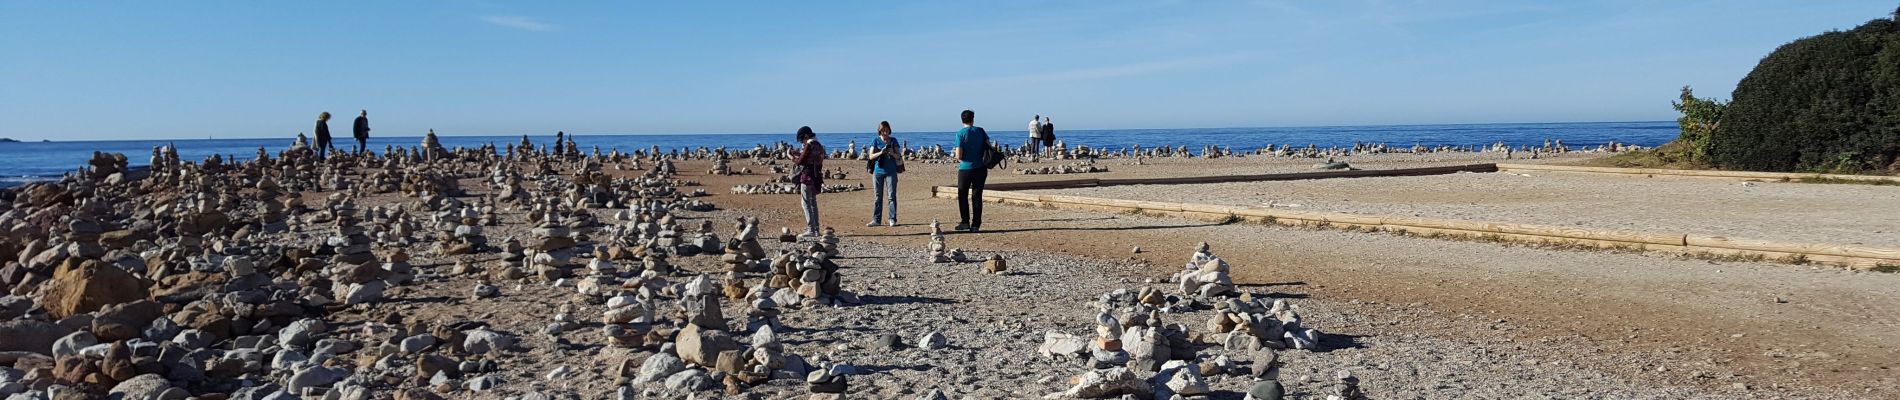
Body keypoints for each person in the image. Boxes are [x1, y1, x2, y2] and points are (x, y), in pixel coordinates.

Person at [953, 110, 990, 232]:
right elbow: (988, 146)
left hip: (965, 168)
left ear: (961, 120)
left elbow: (959, 155)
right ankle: (976, 224)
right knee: (977, 195)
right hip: (980, 167)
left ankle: (965, 221)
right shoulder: (980, 131)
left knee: (962, 195)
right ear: (973, 119)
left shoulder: (960, 134)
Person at [791, 126, 826, 236]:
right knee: (813, 203)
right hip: (816, 178)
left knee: (805, 203)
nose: (802, 142)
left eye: (802, 140)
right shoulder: (818, 145)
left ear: (806, 136)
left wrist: (790, 156)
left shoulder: (809, 145)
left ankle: (811, 229)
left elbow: (800, 162)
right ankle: (816, 229)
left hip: (807, 177)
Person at [866, 121, 902, 227]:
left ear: (889, 130)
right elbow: (871, 156)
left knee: (891, 196)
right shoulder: (875, 141)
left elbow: (898, 156)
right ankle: (876, 220)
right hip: (878, 172)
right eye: (883, 131)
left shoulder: (893, 141)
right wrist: (881, 152)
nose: (885, 133)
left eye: (886, 130)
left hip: (891, 172)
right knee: (878, 197)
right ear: (880, 131)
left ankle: (892, 219)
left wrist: (891, 152)